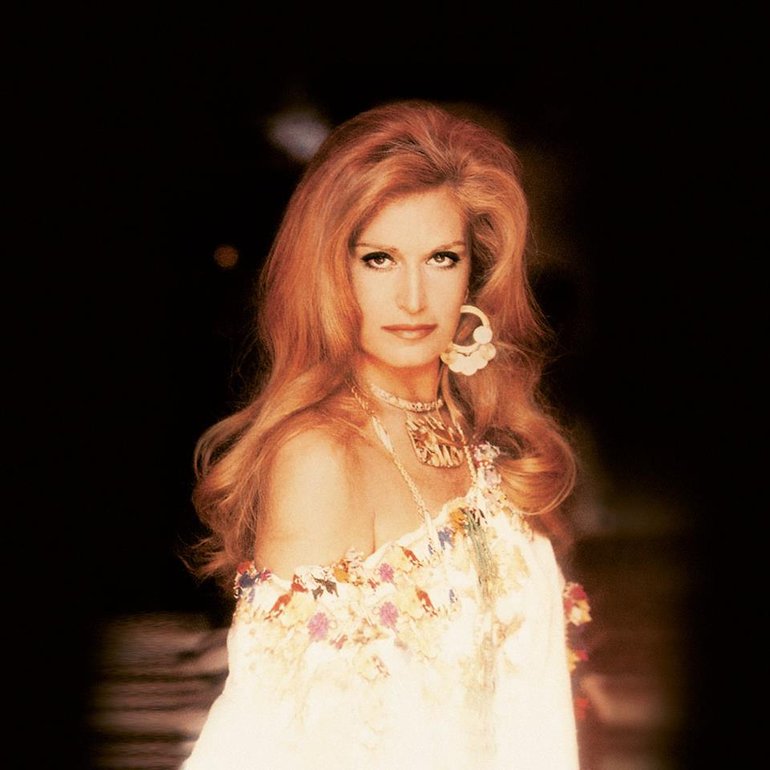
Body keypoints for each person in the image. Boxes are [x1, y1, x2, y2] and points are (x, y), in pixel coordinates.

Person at [180, 99, 591, 770]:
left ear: (475, 271)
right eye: (379, 259)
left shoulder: (482, 435)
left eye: (441, 258)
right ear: (331, 271)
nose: (412, 298)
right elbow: (276, 735)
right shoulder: (321, 457)